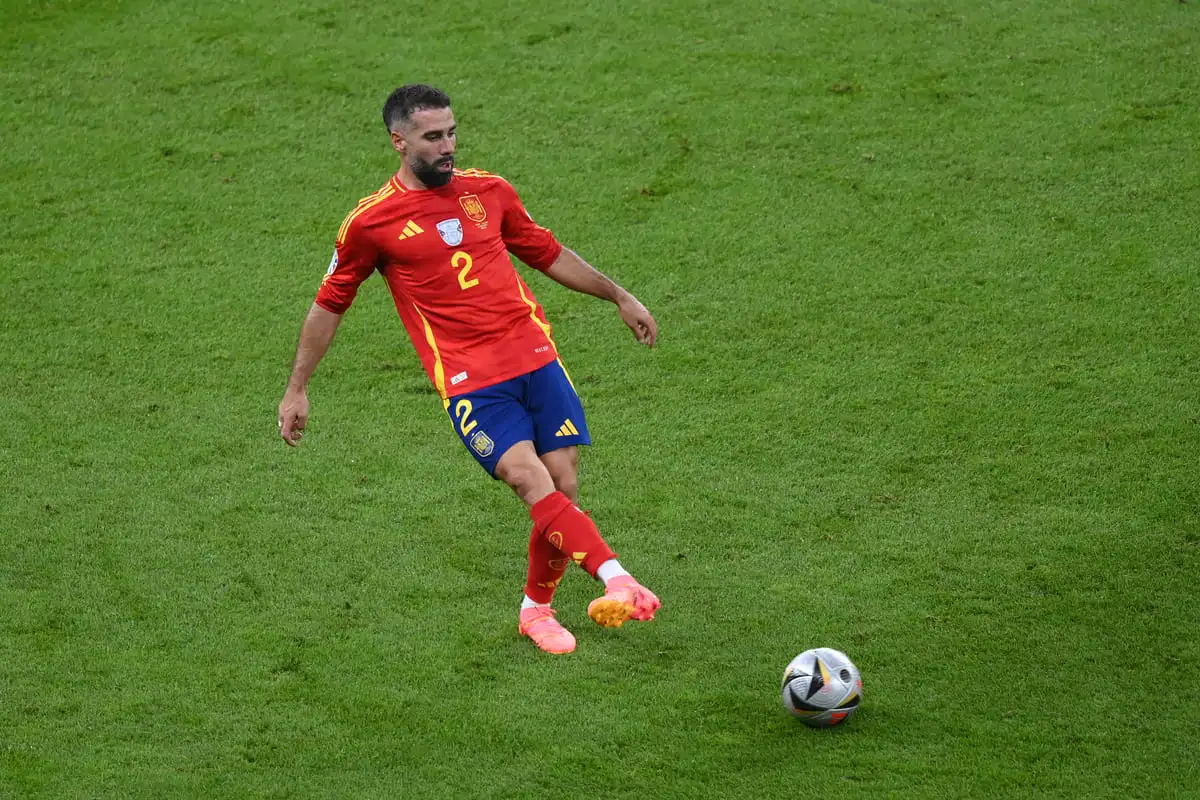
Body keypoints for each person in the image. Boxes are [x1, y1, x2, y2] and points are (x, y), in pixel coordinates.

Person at [277, 84, 661, 655]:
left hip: (535, 357)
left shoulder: (489, 191)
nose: (447, 145)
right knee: (527, 478)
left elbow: (546, 251)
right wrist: (297, 388)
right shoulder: (371, 223)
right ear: (399, 141)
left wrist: (619, 296)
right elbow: (330, 302)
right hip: (471, 381)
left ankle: (537, 611)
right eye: (433, 137)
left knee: (563, 483)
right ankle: (617, 577)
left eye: (452, 132)